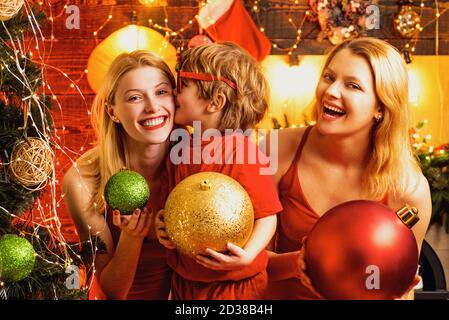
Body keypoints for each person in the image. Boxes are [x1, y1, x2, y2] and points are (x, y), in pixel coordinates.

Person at [264, 37, 432, 300]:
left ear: (381, 107)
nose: (331, 91)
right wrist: (299, 262)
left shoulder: (409, 189)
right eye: (329, 77)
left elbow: (400, 288)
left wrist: (395, 288)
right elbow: (247, 261)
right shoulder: (276, 148)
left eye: (352, 85)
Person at [156, 42, 282, 299]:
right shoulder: (179, 149)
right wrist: (163, 224)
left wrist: (247, 256)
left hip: (234, 286)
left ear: (215, 102)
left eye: (182, 87)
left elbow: (267, 217)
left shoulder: (241, 151)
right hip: (185, 281)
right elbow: (173, 205)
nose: (173, 93)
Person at [63, 50, 176, 299]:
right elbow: (112, 291)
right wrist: (131, 238)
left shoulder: (196, 161)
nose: (152, 107)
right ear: (113, 111)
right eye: (135, 98)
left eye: (161, 92)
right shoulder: (82, 182)